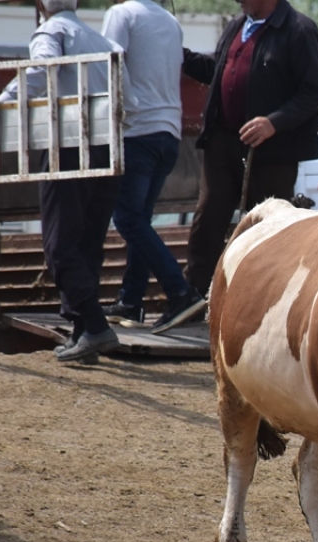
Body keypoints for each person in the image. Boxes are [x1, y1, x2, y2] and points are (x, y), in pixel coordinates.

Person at [0, 0, 124, 363]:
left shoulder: (51, 31)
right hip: (108, 147)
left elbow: (41, 71)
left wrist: (0, 105)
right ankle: (83, 334)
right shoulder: (102, 40)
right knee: (87, 244)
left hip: (68, 144)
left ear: (42, 5)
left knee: (59, 247)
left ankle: (95, 326)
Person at [179, 0, 318, 300]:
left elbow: (312, 92)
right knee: (208, 218)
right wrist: (178, 55)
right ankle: (193, 294)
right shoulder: (237, 25)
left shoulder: (299, 30)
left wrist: (273, 123)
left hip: (271, 151)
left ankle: (265, 299)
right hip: (222, 142)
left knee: (267, 225)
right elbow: (217, 70)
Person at [99, 0, 207, 336]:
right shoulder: (170, 21)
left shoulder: (121, 15)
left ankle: (180, 292)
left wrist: (126, 110)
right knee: (140, 220)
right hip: (168, 133)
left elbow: (110, 65)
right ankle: (131, 301)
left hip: (138, 132)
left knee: (127, 219)